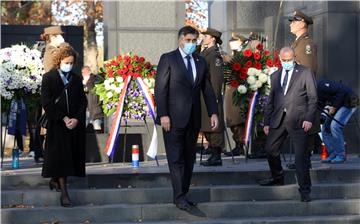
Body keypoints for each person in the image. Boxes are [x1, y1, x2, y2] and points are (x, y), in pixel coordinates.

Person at [155, 26, 219, 211]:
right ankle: (179, 196)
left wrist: (213, 112)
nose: (191, 44)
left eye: (194, 41)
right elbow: (160, 89)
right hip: (172, 119)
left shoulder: (200, 61)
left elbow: (207, 89)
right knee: (176, 158)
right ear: (180, 40)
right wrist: (163, 114)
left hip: (193, 118)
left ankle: (183, 193)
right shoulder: (168, 59)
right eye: (188, 40)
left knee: (189, 158)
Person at [258, 47, 317, 203]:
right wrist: (267, 121)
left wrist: (309, 118)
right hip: (278, 119)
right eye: (283, 60)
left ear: (294, 57)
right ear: (279, 58)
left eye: (289, 60)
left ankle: (305, 190)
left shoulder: (305, 72)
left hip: (299, 119)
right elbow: (271, 100)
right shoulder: (275, 75)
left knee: (300, 157)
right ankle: (278, 177)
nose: (286, 63)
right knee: (270, 150)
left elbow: (313, 98)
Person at [41, 43, 87, 207]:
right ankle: (65, 194)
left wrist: (76, 119)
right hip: (58, 124)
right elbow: (47, 103)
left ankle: (55, 181)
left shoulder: (76, 78)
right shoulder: (49, 78)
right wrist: (64, 118)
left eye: (72, 62)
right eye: (67, 62)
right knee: (61, 158)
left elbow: (83, 102)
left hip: (74, 125)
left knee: (69, 158)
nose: (70, 65)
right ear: (59, 61)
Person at [288, 10, 320, 169]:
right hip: (295, 94)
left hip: (304, 94)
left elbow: (307, 71)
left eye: (294, 21)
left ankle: (304, 161)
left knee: (304, 130)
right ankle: (301, 160)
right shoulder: (296, 43)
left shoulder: (306, 44)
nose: (291, 24)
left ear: (302, 24)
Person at [198, 28, 225, 166]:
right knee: (206, 125)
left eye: (206, 36)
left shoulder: (215, 55)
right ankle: (213, 153)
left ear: (213, 38)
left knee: (214, 126)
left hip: (210, 96)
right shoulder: (204, 52)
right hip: (203, 95)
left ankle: (216, 155)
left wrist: (213, 97)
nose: (204, 37)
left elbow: (216, 78)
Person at [318, 79, 359, 163]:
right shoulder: (310, 94)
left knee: (335, 126)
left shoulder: (321, 84)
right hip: (337, 104)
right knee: (325, 128)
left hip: (349, 101)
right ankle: (333, 153)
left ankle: (341, 155)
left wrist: (334, 107)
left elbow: (342, 91)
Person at [223, 33, 248, 157]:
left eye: (234, 40)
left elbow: (242, 70)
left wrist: (230, 61)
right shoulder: (232, 55)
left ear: (241, 42)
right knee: (232, 120)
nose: (231, 42)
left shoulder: (244, 55)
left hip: (238, 92)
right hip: (229, 90)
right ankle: (237, 144)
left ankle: (240, 145)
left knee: (237, 119)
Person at [81, 66, 103, 132]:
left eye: (85, 72)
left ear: (89, 72)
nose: (83, 74)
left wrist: (86, 83)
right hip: (86, 110)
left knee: (97, 128)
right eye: (82, 72)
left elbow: (92, 88)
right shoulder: (82, 82)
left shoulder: (95, 79)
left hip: (96, 110)